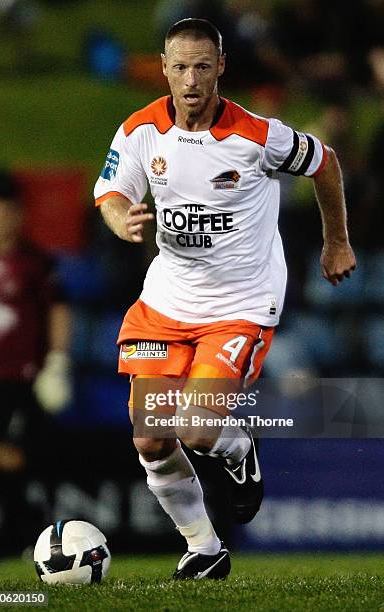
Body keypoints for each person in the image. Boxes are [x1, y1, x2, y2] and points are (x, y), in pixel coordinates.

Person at [94, 18, 356, 579]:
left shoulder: (258, 136)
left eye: (203, 66)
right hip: (166, 301)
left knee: (193, 426)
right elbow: (111, 192)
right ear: (163, 68)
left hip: (240, 303)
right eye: (180, 66)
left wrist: (336, 242)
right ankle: (205, 549)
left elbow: (326, 163)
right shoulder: (140, 130)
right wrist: (122, 220)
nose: (191, 79)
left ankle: (238, 449)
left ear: (221, 70)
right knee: (150, 436)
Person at [0, 174, 72, 551]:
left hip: (21, 380)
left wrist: (56, 362)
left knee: (20, 458)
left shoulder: (36, 263)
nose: (4, 217)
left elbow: (58, 309)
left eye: (10, 210)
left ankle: (25, 539)